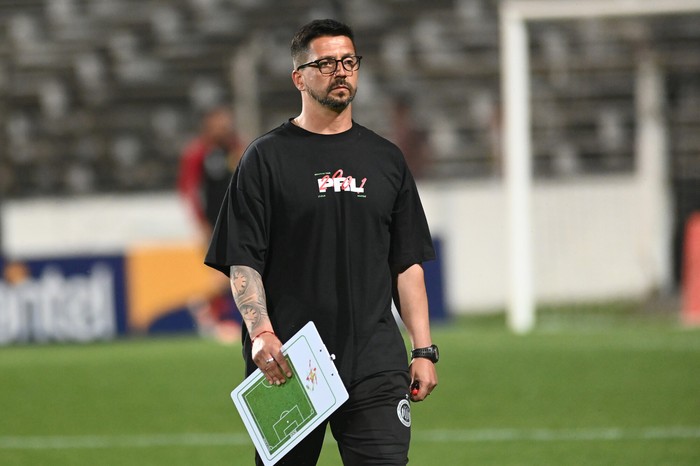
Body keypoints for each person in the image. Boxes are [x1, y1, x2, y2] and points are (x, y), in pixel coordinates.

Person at [205, 19, 439, 465]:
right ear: (299, 76)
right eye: (327, 63)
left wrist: (424, 348)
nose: (341, 71)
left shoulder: (386, 159)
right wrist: (261, 333)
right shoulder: (264, 158)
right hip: (290, 362)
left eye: (349, 61)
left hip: (375, 362)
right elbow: (243, 260)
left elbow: (406, 263)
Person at [178, 106, 246, 343]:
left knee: (235, 272)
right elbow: (190, 190)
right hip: (214, 223)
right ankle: (212, 316)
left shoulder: (236, 148)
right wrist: (201, 223)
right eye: (219, 122)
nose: (224, 126)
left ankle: (211, 313)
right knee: (223, 272)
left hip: (238, 221)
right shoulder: (198, 153)